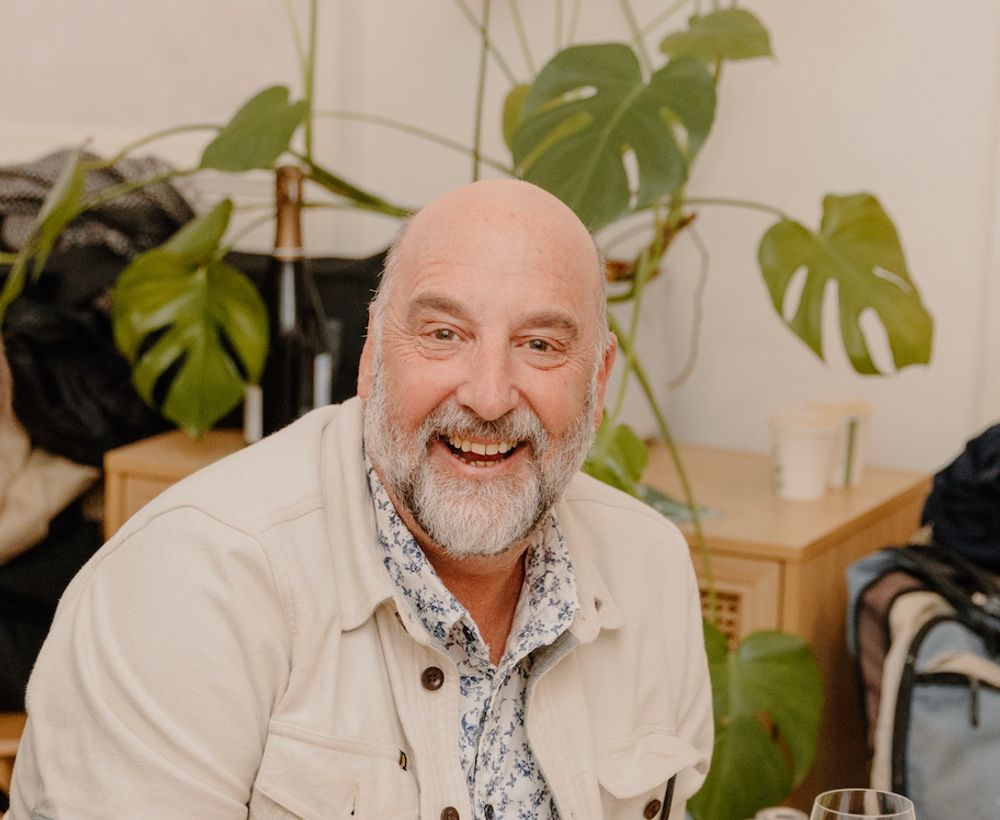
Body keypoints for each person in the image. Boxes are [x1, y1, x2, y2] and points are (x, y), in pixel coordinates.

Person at [8, 179, 712, 819]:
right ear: (372, 354)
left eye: (540, 344)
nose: (490, 395)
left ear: (598, 381)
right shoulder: (192, 581)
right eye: (444, 335)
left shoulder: (650, 566)